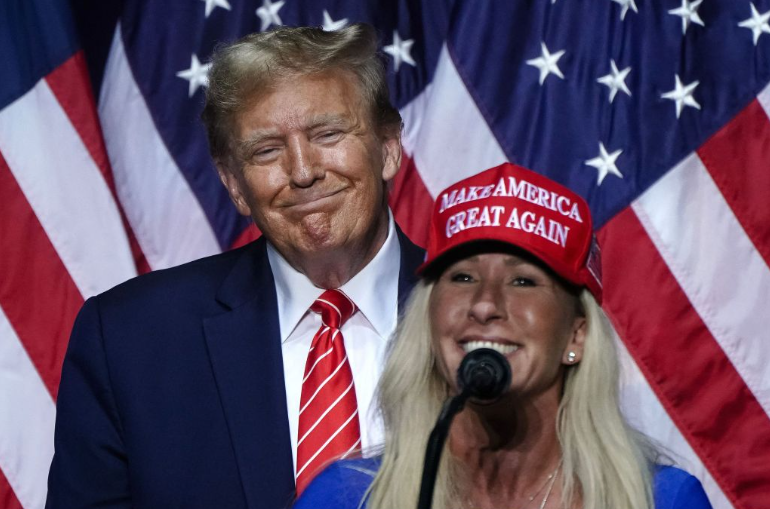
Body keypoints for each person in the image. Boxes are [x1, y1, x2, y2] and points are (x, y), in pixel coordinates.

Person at [46, 24, 425, 509]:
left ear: (388, 147)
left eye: (327, 134)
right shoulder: (130, 339)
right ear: (234, 184)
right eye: (267, 150)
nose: (303, 171)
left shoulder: (475, 315)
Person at [293, 162, 712, 509]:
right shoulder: (344, 497)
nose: (484, 304)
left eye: (523, 281)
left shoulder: (661, 499)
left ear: (577, 335)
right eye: (463, 277)